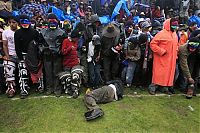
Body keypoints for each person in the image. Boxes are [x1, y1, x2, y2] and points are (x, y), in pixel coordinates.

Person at [149, 18, 179, 95]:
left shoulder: (175, 34)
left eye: (176, 25)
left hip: (171, 59)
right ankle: (153, 87)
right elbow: (152, 44)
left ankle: (164, 88)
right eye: (174, 25)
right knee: (158, 74)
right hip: (161, 58)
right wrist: (161, 51)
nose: (175, 26)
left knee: (168, 75)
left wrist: (176, 54)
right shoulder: (161, 33)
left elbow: (176, 45)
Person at [40, 13, 66, 97]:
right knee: (48, 73)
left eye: (53, 20)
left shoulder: (62, 32)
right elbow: (40, 44)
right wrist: (44, 50)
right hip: (47, 55)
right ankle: (49, 88)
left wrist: (59, 51)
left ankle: (57, 89)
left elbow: (63, 44)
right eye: (49, 20)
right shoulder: (43, 32)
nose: (51, 21)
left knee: (57, 72)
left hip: (57, 56)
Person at [15, 15, 40, 99]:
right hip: (23, 55)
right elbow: (17, 47)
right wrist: (21, 59)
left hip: (34, 55)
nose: (25, 24)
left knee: (37, 71)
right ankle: (24, 89)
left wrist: (37, 56)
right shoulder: (17, 33)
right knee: (23, 72)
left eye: (26, 22)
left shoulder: (35, 32)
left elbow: (38, 45)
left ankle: (40, 86)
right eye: (23, 22)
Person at [2, 16, 19, 98]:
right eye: (10, 22)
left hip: (20, 56)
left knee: (23, 69)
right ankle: (11, 89)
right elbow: (4, 45)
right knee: (8, 67)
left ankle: (24, 87)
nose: (12, 24)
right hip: (11, 55)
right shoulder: (5, 32)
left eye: (14, 22)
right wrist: (7, 56)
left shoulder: (20, 31)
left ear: (17, 23)